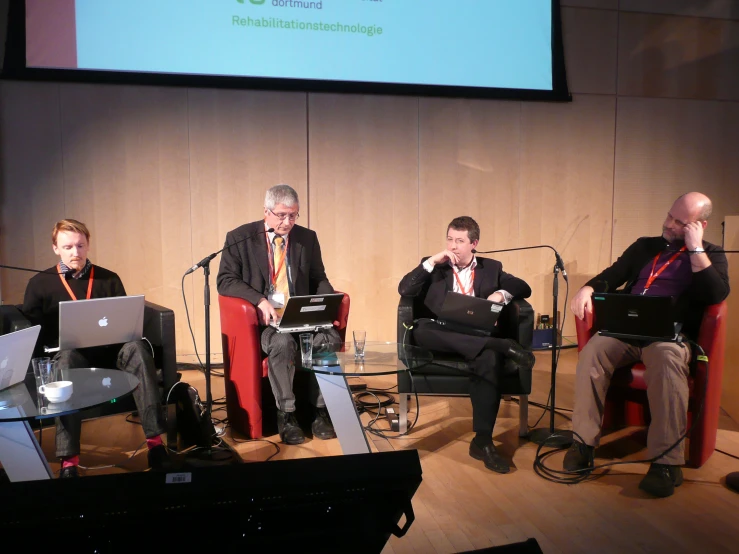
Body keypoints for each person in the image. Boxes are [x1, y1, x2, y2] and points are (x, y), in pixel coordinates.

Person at [564, 192, 730, 498]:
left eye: (680, 222)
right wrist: (588, 288)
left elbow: (716, 295)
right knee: (592, 353)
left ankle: (666, 463)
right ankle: (583, 443)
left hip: (670, 337)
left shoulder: (711, 253)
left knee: (667, 362)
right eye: (670, 216)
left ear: (699, 226)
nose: (669, 224)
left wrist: (694, 249)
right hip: (625, 330)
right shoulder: (645, 246)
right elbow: (614, 275)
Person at [22, 219, 170, 478]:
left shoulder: (108, 278)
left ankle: (156, 446)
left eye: (80, 245)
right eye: (67, 247)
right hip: (71, 356)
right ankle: (69, 461)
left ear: (88, 245)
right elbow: (32, 330)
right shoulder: (40, 283)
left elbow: (124, 321)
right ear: (55, 248)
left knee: (137, 348)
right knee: (65, 360)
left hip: (111, 353)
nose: (75, 252)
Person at [398, 216, 536, 474]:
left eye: (459, 241)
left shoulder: (491, 267)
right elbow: (404, 288)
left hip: (475, 335)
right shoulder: (435, 267)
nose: (453, 246)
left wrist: (502, 295)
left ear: (474, 243)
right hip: (440, 333)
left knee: (489, 359)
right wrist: (430, 262)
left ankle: (482, 441)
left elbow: (523, 287)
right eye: (450, 239)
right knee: (421, 328)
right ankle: (500, 344)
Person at [217, 184, 340, 445]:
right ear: (266, 212)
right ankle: (287, 414)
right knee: (282, 344)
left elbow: (319, 278)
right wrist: (259, 300)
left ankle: (320, 412)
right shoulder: (240, 238)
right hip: (268, 324)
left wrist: (325, 303)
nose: (287, 222)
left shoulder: (307, 238)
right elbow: (225, 280)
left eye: (293, 215)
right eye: (282, 215)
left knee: (327, 339)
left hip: (300, 317)